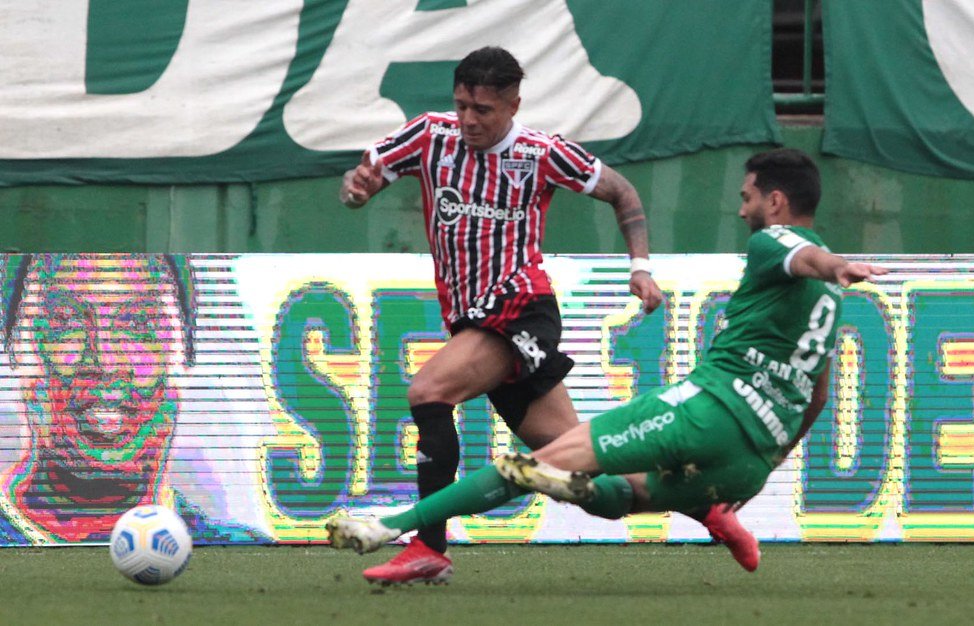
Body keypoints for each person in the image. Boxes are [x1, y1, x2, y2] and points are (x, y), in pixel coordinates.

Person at [326, 148, 889, 575]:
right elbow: (815, 395)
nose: (742, 210)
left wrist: (834, 261)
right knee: (612, 496)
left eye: (746, 198)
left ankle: (391, 528)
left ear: (775, 202)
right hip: (751, 461)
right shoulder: (829, 300)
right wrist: (769, 460)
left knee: (525, 462)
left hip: (710, 411)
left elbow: (804, 255)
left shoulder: (776, 243)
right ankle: (707, 510)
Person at [338, 46, 664, 584]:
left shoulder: (539, 153)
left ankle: (429, 547)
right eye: (462, 105)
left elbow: (620, 191)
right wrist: (357, 191)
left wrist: (641, 267)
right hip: (474, 319)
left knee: (428, 391)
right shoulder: (429, 135)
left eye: (483, 110)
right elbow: (364, 178)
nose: (468, 119)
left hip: (522, 307)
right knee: (574, 458)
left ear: (513, 104)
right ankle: (707, 506)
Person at [0, 254, 264, 544]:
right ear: (15, 349)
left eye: (139, 322)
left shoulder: (233, 550)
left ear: (183, 351)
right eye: (66, 322)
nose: (106, 362)